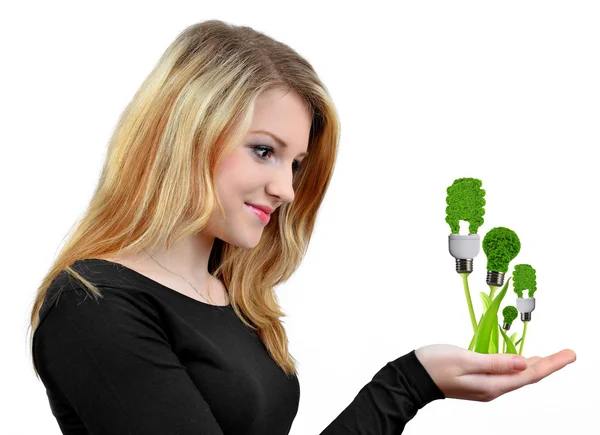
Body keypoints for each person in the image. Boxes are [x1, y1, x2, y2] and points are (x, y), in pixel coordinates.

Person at [27, 20, 576, 435]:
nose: (287, 190)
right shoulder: (93, 306)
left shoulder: (231, 296)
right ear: (187, 132)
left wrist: (412, 380)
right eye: (263, 150)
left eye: (294, 164)